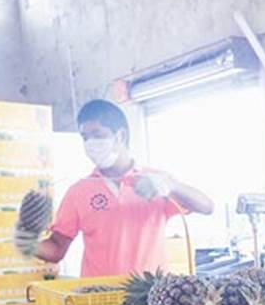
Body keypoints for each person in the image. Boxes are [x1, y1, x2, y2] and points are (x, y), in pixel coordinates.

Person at [13, 99, 213, 276]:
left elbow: (207, 206)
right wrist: (28, 243)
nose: (91, 143)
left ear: (121, 135)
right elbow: (57, 249)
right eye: (85, 137)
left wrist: (171, 186)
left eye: (97, 134)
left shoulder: (154, 181)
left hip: (150, 299)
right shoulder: (79, 191)